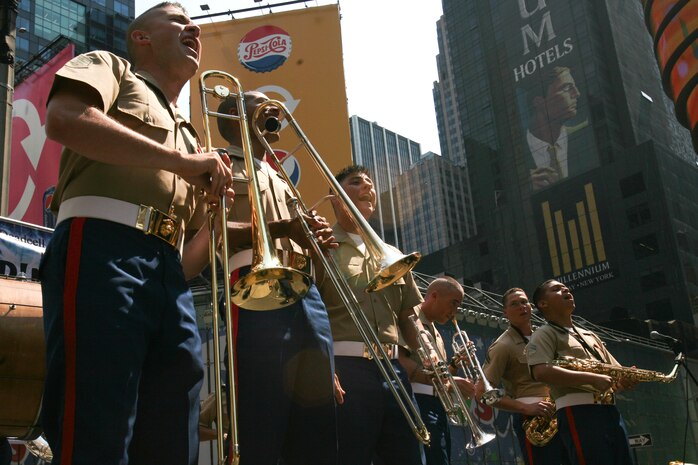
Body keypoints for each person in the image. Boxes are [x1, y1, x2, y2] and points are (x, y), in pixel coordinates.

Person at [40, 3, 234, 465]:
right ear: (142, 37)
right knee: (96, 431)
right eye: (178, 19)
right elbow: (64, 119)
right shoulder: (112, 67)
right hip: (102, 248)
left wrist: (219, 220)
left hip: (169, 275)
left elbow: (187, 258)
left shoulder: (190, 135)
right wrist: (184, 164)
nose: (195, 27)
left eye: (195, 22)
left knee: (172, 439)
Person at [199, 90, 338, 465]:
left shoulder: (280, 177)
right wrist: (283, 228)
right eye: (258, 105)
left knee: (316, 422)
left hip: (304, 291)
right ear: (230, 113)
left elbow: (294, 236)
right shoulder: (217, 163)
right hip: (251, 283)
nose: (273, 111)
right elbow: (208, 228)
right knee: (261, 414)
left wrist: (314, 239)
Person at [317, 164, 424, 465]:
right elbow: (308, 313)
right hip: (344, 370)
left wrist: (427, 354)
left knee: (405, 456)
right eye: (356, 182)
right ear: (335, 197)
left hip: (394, 371)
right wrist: (323, 368)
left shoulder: (392, 252)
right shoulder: (320, 245)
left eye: (370, 183)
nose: (367, 187)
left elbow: (407, 316)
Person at [526, 279, 636, 465]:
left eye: (565, 287)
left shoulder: (590, 335)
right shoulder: (544, 333)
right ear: (543, 304)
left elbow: (615, 374)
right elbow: (541, 371)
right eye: (556, 289)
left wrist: (625, 379)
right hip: (578, 412)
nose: (566, 289)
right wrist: (592, 379)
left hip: (609, 410)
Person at [478, 288, 568, 465]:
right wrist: (525, 408)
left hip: (561, 412)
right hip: (534, 419)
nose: (522, 307)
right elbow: (481, 392)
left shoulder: (545, 337)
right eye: (515, 304)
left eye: (524, 302)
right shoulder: (502, 345)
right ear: (505, 312)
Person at [398, 277, 476, 465]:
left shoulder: (436, 332)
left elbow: (438, 374)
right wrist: (448, 379)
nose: (455, 312)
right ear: (433, 296)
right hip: (416, 402)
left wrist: (456, 363)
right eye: (453, 303)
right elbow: (399, 361)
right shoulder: (410, 318)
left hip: (437, 406)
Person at [524, 66, 591, 190]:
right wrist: (526, 190)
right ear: (539, 102)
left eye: (574, 87)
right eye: (566, 88)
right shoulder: (518, 157)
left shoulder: (587, 136)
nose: (576, 93)